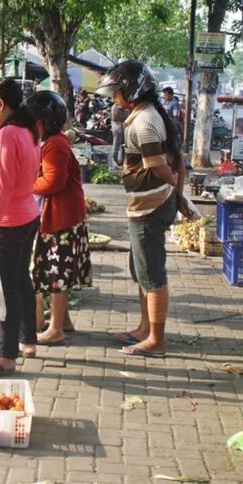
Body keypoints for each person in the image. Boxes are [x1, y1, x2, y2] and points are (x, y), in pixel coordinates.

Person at [96, 61, 190, 358]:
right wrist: (179, 194)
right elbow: (177, 160)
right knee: (141, 270)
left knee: (151, 274)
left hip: (151, 206)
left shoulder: (144, 122)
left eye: (117, 92)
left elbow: (159, 166)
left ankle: (156, 341)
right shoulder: (147, 116)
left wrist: (175, 188)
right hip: (146, 205)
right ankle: (144, 328)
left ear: (132, 90)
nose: (114, 98)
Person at [0, 78, 41, 378]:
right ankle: (28, 341)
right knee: (20, 279)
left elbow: (2, 187)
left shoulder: (7, 135)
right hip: (27, 213)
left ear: (1, 104)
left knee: (7, 288)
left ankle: (6, 356)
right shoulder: (29, 132)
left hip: (11, 220)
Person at [25, 91, 92, 350]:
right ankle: (63, 321)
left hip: (61, 217)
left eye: (33, 121)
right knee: (58, 269)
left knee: (57, 271)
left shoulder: (55, 144)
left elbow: (53, 182)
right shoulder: (55, 141)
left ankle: (55, 330)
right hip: (65, 214)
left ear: (44, 121)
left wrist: (25, 185)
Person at [111, 104, 130, 168]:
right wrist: (125, 118)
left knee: (124, 146)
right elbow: (114, 118)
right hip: (117, 128)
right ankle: (114, 161)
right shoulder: (115, 107)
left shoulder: (126, 106)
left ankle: (121, 161)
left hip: (126, 128)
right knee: (116, 145)